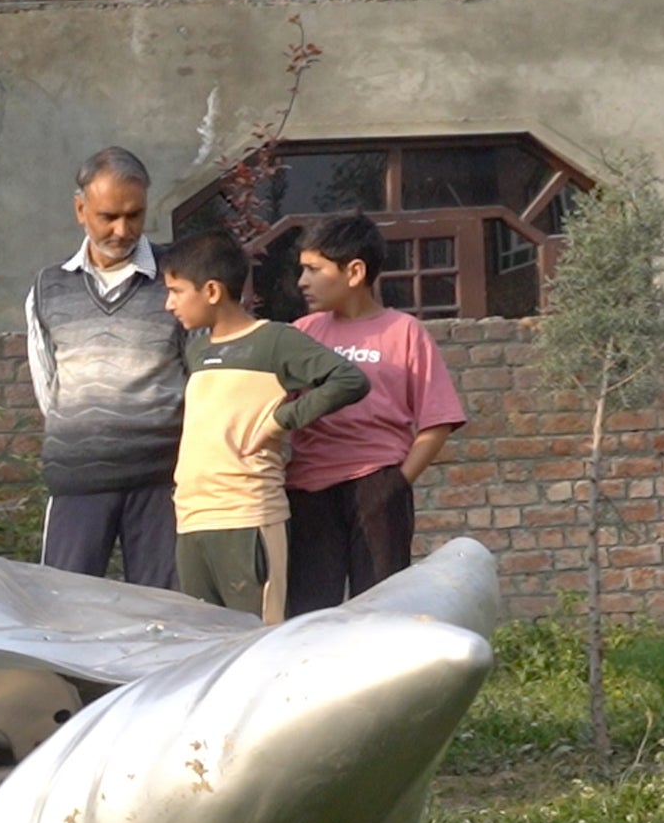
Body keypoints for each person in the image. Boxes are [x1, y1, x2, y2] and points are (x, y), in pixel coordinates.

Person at [159, 230, 370, 623]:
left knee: (256, 645)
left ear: (211, 291)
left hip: (248, 517)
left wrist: (280, 420)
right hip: (192, 519)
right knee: (202, 646)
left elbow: (348, 380)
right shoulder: (196, 351)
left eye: (176, 291)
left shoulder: (274, 341)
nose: (169, 304)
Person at [288, 211, 467, 613]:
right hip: (307, 491)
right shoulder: (300, 334)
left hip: (377, 487)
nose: (303, 282)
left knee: (383, 610)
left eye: (314, 270)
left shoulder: (405, 332)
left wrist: (395, 484)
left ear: (354, 271)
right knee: (308, 611)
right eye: (302, 270)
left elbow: (437, 421)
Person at [24, 146, 187, 588]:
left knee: (165, 614)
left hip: (162, 482)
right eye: (108, 216)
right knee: (66, 607)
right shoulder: (48, 288)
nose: (123, 229)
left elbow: (201, 379)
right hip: (78, 482)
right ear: (80, 210)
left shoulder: (179, 279)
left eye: (135, 215)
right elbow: (49, 388)